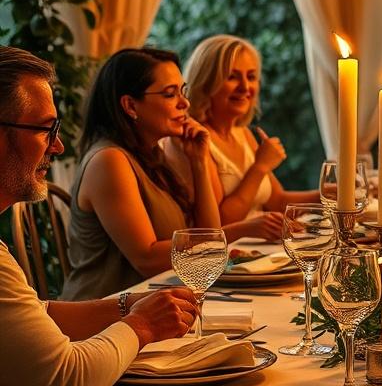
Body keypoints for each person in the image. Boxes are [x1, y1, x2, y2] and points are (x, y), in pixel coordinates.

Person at [0, 46, 197, 386]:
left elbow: (32, 315)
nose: (58, 147)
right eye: (45, 129)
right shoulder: (110, 159)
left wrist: (125, 307)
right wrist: (141, 326)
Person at [62, 48, 279, 301]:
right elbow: (147, 259)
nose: (184, 103)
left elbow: (206, 241)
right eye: (169, 94)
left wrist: (198, 161)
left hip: (156, 302)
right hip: (106, 311)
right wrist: (239, 231)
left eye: (182, 91)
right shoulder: (109, 161)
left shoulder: (152, 156)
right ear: (130, 105)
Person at [181, 35, 315, 224]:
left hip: (265, 242)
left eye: (251, 77)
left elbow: (277, 201)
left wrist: (329, 193)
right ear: (205, 82)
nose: (245, 87)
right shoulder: (196, 139)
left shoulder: (241, 132)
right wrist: (260, 167)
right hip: (236, 244)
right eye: (232, 77)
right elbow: (221, 223)